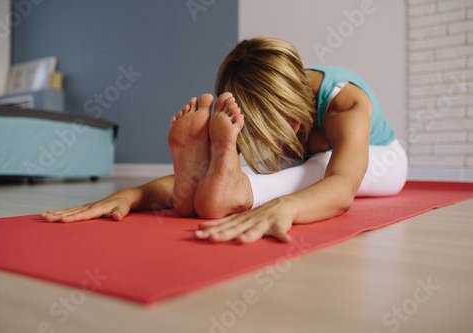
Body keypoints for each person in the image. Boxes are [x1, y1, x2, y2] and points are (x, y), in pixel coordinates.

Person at [41, 37, 408, 244]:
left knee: (321, 166)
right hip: (306, 162)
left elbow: (342, 186)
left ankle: (241, 195)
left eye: (281, 120)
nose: (273, 132)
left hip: (384, 160)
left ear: (297, 97)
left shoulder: (345, 103)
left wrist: (288, 207)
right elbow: (225, 172)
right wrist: (130, 196)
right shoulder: (258, 110)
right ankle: (231, 191)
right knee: (237, 168)